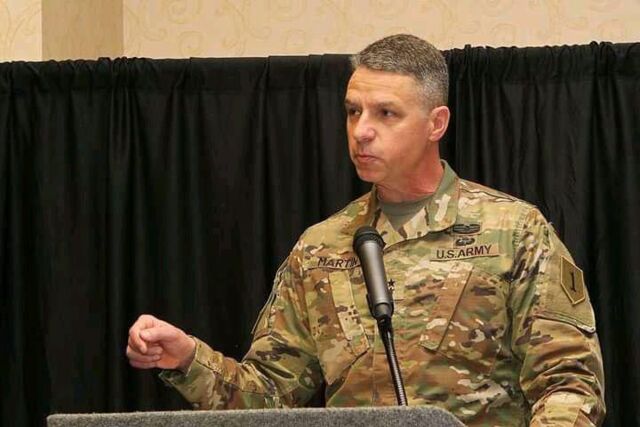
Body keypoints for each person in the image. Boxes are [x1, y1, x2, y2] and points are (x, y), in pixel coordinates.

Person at [126, 34, 605, 426]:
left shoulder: (513, 232)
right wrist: (188, 359)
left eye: (385, 113)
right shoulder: (321, 248)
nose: (361, 131)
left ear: (436, 123)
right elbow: (269, 396)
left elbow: (569, 383)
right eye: (353, 111)